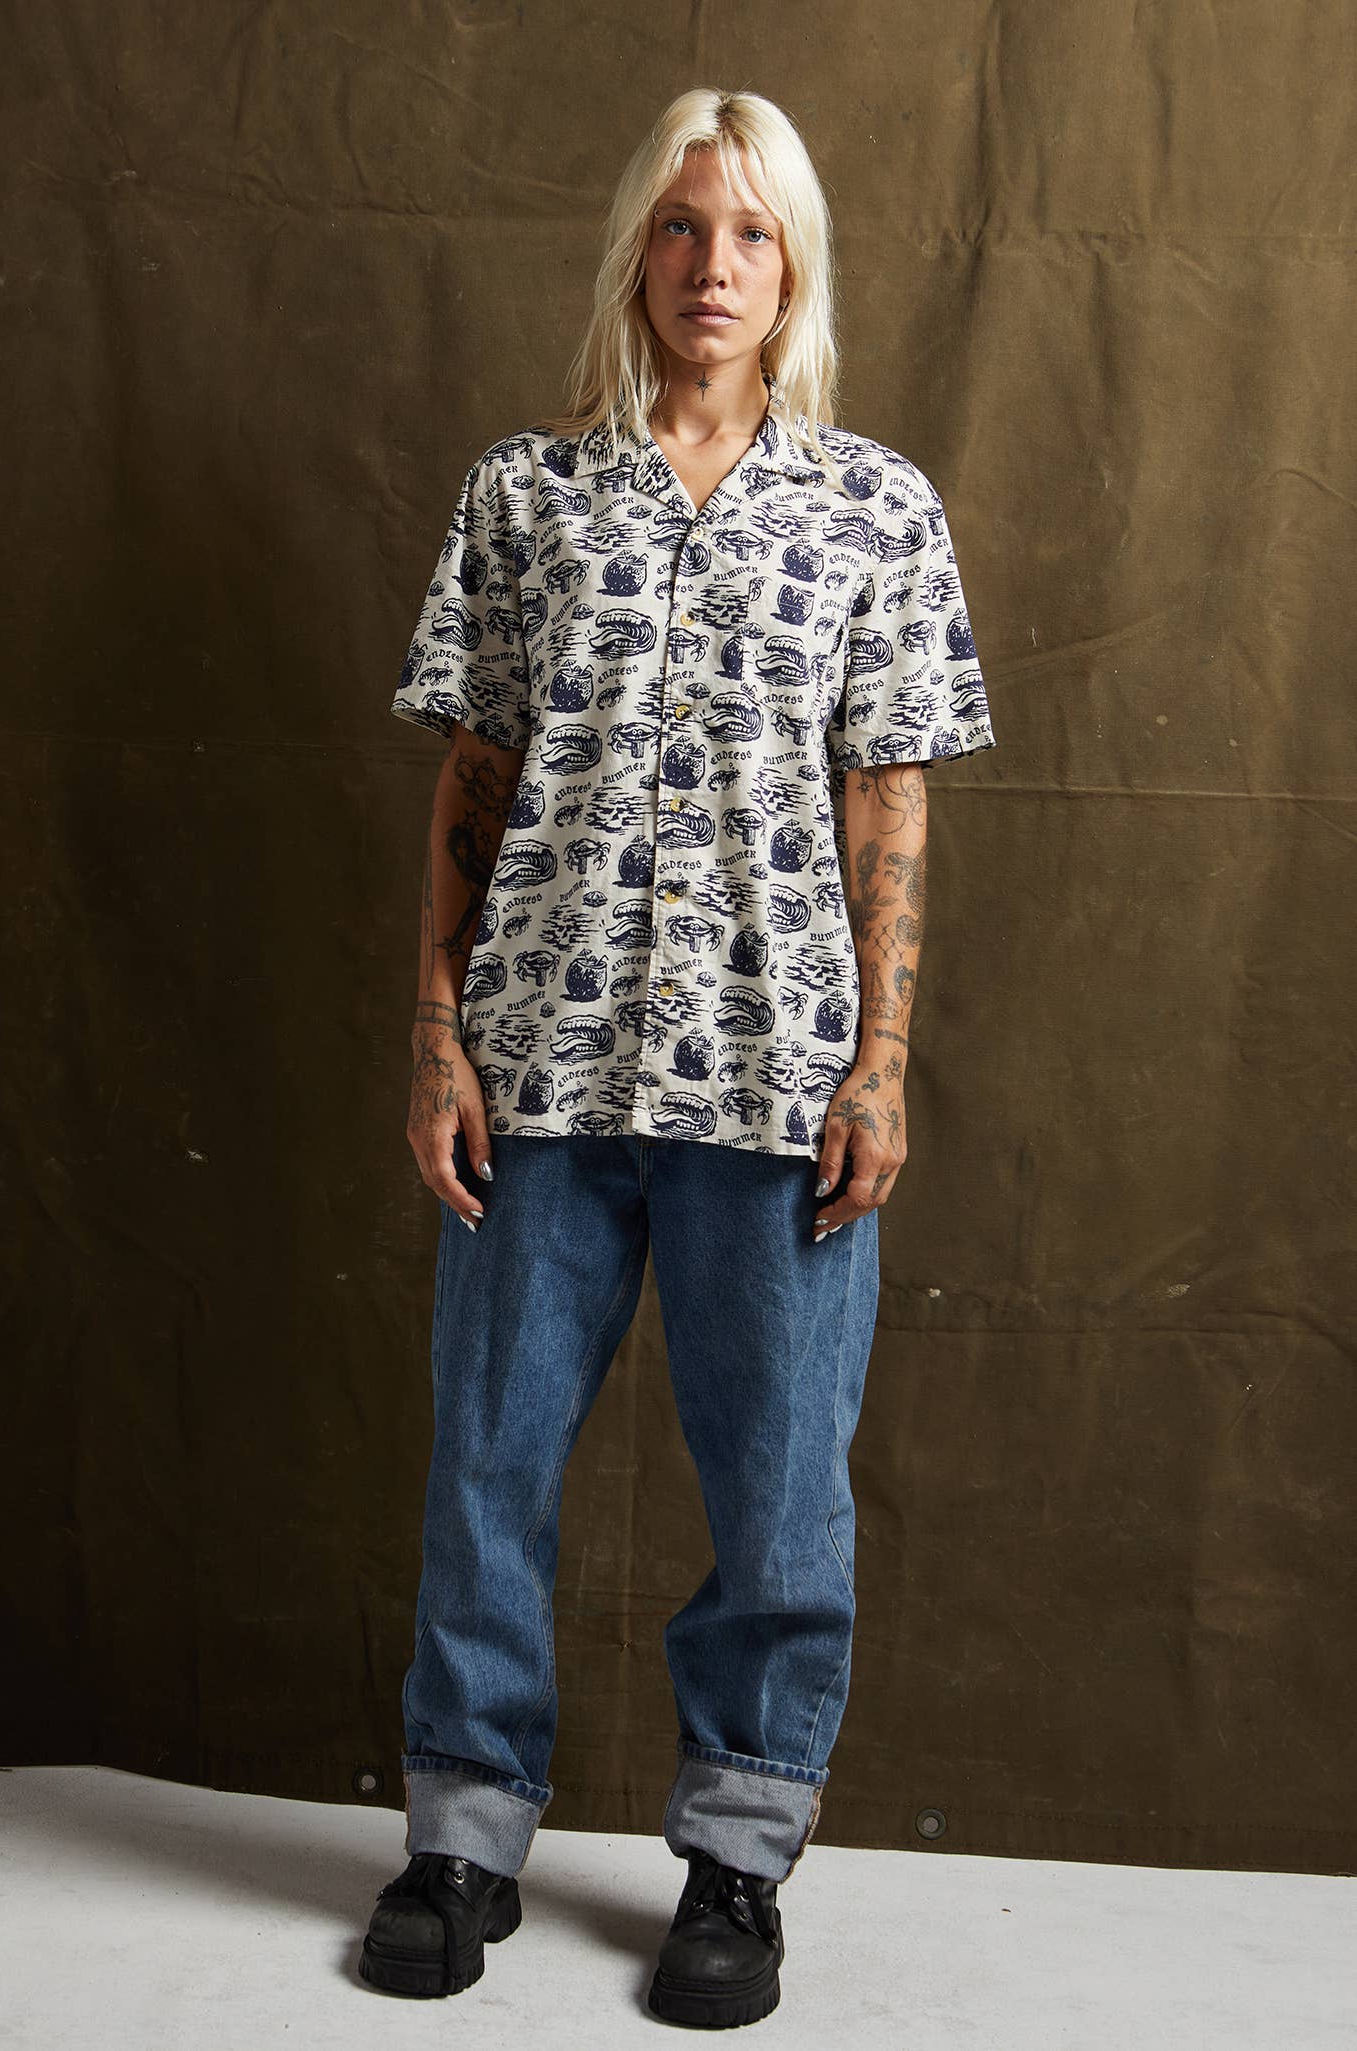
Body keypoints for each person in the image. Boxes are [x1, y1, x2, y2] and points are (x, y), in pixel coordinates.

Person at [359, 85, 997, 2028]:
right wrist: (435, 1032)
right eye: (680, 226)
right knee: (489, 1466)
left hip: (774, 1077)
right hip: (539, 1068)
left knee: (783, 1495)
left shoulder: (876, 505)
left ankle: (737, 1857)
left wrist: (882, 1058)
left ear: (794, 265)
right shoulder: (525, 495)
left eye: (751, 233)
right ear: (636, 250)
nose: (713, 266)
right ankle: (463, 1840)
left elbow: (887, 797)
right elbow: (476, 773)